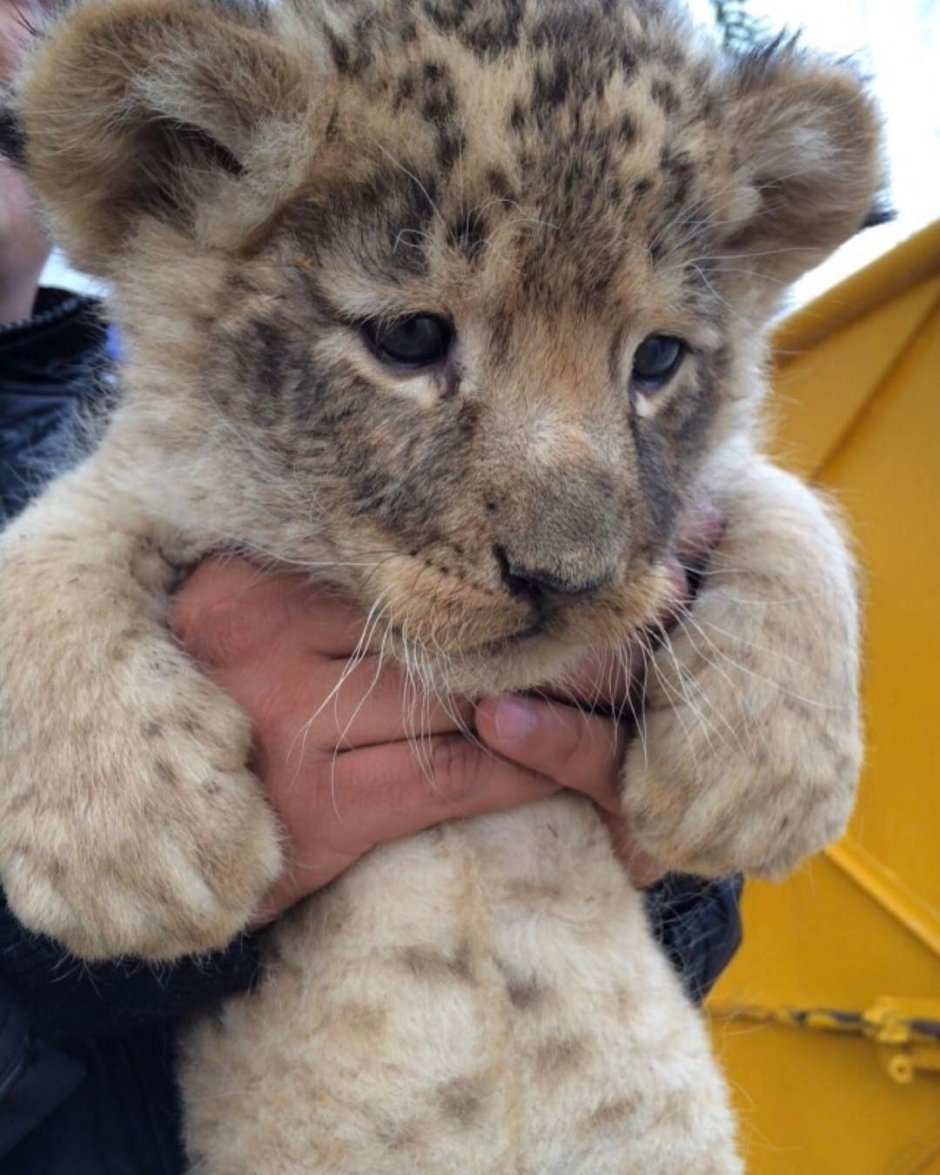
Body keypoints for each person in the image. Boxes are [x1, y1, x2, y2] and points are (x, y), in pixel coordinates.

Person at [0, 3, 741, 1167]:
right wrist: (50, 945)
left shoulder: (219, 315)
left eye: (650, 358)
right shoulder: (161, 435)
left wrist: (657, 834)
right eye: (409, 335)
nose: (573, 554)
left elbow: (697, 902)